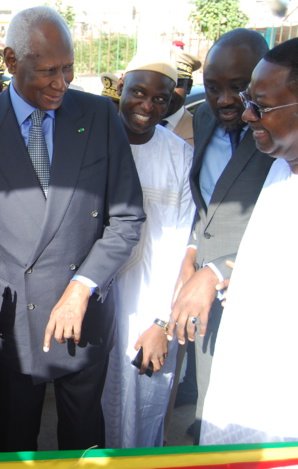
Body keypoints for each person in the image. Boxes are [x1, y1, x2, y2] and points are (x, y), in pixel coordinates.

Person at [0, 6, 145, 452]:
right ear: (11, 60)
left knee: (83, 440)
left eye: (69, 68)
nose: (62, 82)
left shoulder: (99, 116)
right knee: (18, 439)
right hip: (12, 319)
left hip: (85, 312)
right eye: (48, 70)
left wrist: (81, 288)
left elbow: (127, 218)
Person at [168, 29, 274, 444]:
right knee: (210, 398)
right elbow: (207, 208)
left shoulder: (282, 133)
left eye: (239, 87)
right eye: (214, 88)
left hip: (261, 295)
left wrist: (214, 269)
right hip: (204, 296)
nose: (226, 100)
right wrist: (192, 254)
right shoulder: (206, 118)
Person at [201, 37, 298, 445]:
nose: (247, 114)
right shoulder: (281, 167)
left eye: (261, 105)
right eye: (247, 100)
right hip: (244, 394)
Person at [101, 53, 194, 448]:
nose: (147, 105)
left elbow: (181, 245)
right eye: (138, 92)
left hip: (153, 304)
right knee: (93, 408)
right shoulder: (94, 143)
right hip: (99, 302)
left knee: (146, 404)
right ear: (121, 87)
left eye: (160, 99)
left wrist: (161, 322)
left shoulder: (180, 155)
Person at [160, 51, 201, 147]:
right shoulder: (135, 126)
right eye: (162, 83)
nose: (167, 91)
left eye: (177, 84)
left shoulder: (200, 133)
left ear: (189, 86)